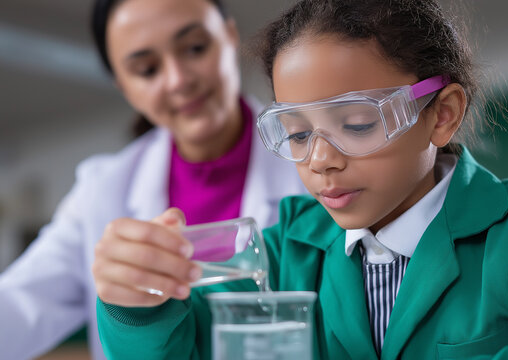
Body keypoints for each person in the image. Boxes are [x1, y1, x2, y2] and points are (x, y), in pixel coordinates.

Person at [93, 0, 508, 359]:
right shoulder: (285, 248)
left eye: (356, 123)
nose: (319, 161)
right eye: (298, 132)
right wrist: (135, 301)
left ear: (442, 114)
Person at [0, 0, 306, 359]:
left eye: (195, 47)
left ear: (230, 36)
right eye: (146, 69)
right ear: (124, 86)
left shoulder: (314, 156)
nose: (178, 79)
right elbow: (19, 305)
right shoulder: (101, 190)